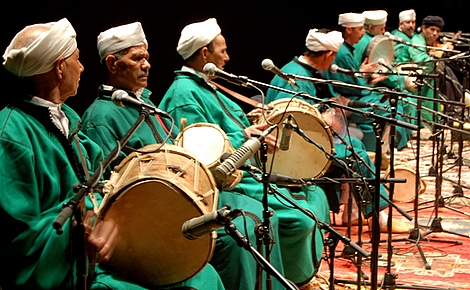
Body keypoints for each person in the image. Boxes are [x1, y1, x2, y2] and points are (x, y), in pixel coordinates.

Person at [80, 22, 269, 290]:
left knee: (253, 215)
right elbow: (108, 187)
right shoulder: (101, 117)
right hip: (152, 216)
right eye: (137, 59)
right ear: (112, 64)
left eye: (147, 58)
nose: (147, 65)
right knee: (241, 231)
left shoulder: (145, 104)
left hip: (179, 201)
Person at [158, 18, 331, 287]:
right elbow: (197, 149)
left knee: (313, 194)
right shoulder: (184, 93)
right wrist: (243, 136)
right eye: (222, 50)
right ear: (205, 53)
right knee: (300, 218)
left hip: (247, 171)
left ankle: (293, 275)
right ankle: (295, 280)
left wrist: (253, 125)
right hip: (227, 182)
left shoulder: (203, 85)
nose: (227, 57)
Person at [0, 18, 150, 290]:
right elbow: (16, 237)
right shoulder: (11, 134)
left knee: (200, 274)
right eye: (77, 59)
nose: (81, 67)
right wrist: (77, 232)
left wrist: (109, 217)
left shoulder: (68, 122)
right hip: (65, 269)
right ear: (59, 68)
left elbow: (102, 185)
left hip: (94, 256)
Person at [264, 28, 410, 233]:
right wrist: (327, 117)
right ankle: (379, 217)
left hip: (304, 141)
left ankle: (360, 212)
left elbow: (307, 107)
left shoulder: (300, 71)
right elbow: (294, 120)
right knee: (356, 154)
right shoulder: (295, 78)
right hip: (292, 149)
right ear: (328, 54)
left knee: (356, 144)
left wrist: (327, 107)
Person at [324, 12, 410, 153]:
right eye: (360, 29)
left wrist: (366, 78)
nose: (363, 33)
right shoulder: (343, 53)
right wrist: (366, 80)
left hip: (357, 95)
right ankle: (384, 152)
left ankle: (384, 151)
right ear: (349, 30)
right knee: (394, 110)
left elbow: (352, 80)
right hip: (351, 101)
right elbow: (351, 87)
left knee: (396, 103)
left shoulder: (347, 50)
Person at [400, 15, 463, 122]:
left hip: (423, 76)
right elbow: (424, 62)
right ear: (423, 28)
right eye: (432, 29)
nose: (435, 33)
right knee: (442, 69)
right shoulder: (416, 41)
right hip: (408, 78)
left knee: (444, 71)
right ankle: (459, 99)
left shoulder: (424, 42)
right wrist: (442, 50)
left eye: (437, 31)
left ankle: (454, 106)